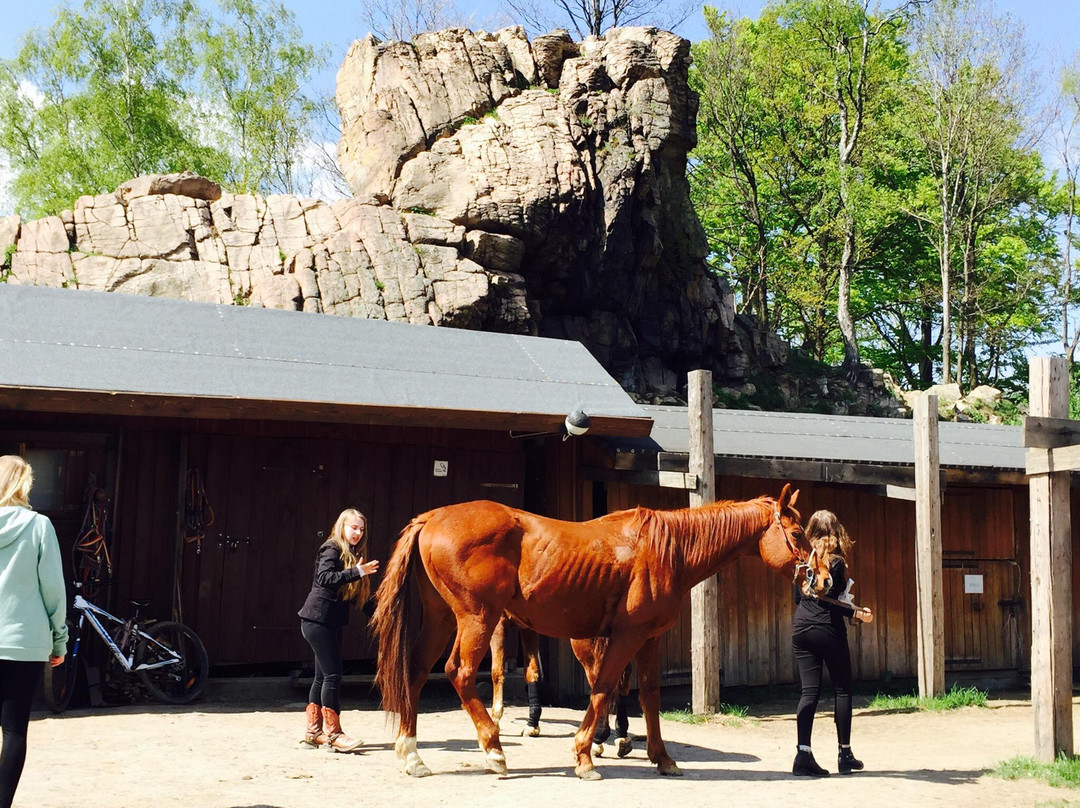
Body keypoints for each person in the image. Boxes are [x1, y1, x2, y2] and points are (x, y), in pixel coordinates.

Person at [0, 456, 68, 808]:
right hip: (24, 643)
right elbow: (53, 589)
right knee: (13, 730)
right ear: (24, 484)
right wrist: (60, 639)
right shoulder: (39, 526)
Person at [791, 510, 872, 778]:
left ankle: (803, 754)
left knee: (809, 693)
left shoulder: (802, 562)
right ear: (838, 532)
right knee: (842, 690)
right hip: (828, 630)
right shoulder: (835, 563)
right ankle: (844, 754)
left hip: (801, 629)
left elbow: (798, 599)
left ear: (810, 531)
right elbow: (830, 604)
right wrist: (857, 612)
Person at [297, 508, 379, 753]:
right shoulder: (332, 548)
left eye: (361, 529)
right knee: (333, 675)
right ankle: (334, 735)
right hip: (316, 621)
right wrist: (358, 572)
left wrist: (382, 613)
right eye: (353, 527)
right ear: (342, 526)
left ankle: (313, 733)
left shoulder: (352, 555)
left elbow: (357, 599)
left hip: (328, 622)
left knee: (322, 677)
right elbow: (325, 578)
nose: (357, 533)